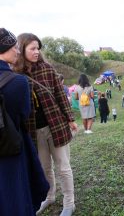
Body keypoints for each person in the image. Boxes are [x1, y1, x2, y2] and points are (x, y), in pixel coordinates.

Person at [13, 33, 77, 216]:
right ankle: (49, 197)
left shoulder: (47, 69)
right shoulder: (16, 74)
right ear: (22, 49)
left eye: (38, 48)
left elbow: (60, 96)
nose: (36, 52)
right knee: (44, 168)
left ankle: (69, 203)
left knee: (63, 167)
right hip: (34, 131)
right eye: (32, 48)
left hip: (56, 126)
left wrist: (71, 119)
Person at [0, 28, 49, 216]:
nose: (17, 51)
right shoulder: (18, 82)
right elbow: (24, 113)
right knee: (16, 197)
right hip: (11, 148)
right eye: (14, 47)